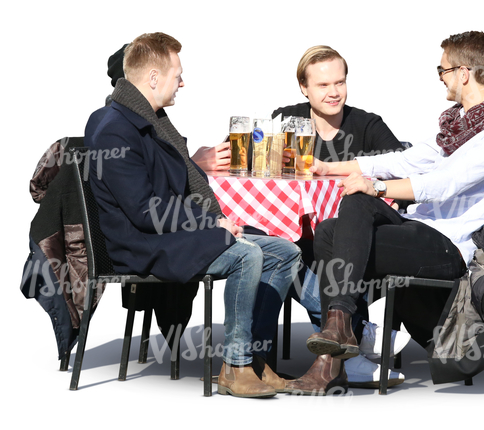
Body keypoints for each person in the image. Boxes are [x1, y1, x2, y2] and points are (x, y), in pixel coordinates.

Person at [287, 31, 484, 394]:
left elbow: (444, 184)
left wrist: (377, 187)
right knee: (332, 228)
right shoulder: (457, 124)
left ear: (463, 73)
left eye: (442, 70)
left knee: (354, 208)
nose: (441, 77)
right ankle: (341, 330)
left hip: (447, 247)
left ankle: (338, 348)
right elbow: (404, 159)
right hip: (419, 229)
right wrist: (327, 168)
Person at [84, 32, 301, 398]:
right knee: (247, 254)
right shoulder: (116, 130)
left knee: (285, 252)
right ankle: (236, 366)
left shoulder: (149, 120)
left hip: (167, 232)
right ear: (153, 78)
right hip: (140, 244)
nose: (182, 82)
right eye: (177, 74)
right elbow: (143, 211)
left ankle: (256, 359)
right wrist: (210, 222)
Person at [272, 45, 410, 389]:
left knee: (333, 242)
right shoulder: (287, 122)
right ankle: (359, 336)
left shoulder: (367, 126)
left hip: (359, 245)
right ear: (304, 87)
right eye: (323, 85)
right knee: (275, 251)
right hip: (300, 238)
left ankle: (343, 348)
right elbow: (264, 173)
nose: (334, 92)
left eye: (340, 82)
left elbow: (402, 171)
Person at [104, 43, 231, 175]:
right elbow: (142, 182)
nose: (181, 83)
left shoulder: (155, 119)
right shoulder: (117, 127)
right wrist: (194, 164)